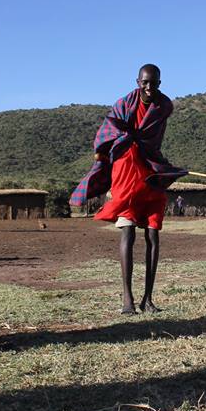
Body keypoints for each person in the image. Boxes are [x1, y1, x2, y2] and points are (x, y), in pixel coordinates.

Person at [70, 64, 187, 314]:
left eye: (154, 82)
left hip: (150, 169)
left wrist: (154, 155)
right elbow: (108, 130)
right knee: (128, 230)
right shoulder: (123, 104)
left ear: (159, 83)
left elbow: (152, 140)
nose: (149, 87)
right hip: (126, 171)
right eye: (145, 82)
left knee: (153, 233)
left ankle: (148, 300)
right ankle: (127, 300)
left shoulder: (163, 106)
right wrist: (127, 136)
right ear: (137, 82)